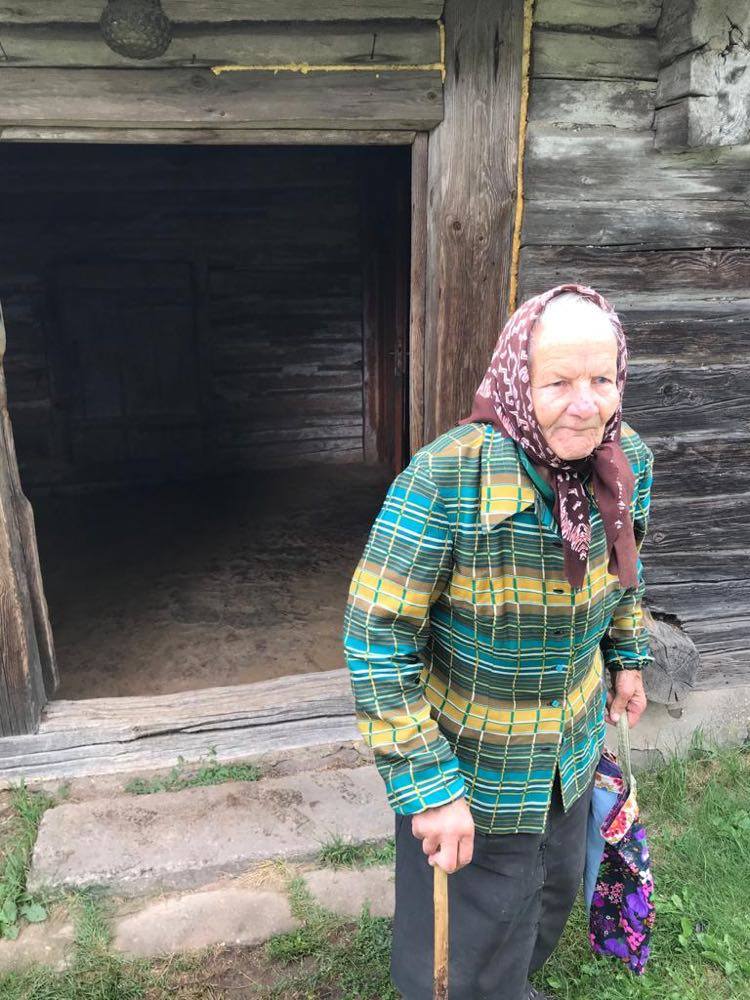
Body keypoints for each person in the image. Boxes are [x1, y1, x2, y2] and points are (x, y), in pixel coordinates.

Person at [341, 283, 654, 1000]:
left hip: (570, 750)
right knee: (461, 946)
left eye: (602, 380)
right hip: (474, 768)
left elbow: (627, 568)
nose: (586, 405)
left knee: (548, 897)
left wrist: (626, 658)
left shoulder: (626, 460)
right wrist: (429, 787)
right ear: (518, 380)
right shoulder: (444, 478)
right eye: (559, 382)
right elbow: (375, 636)